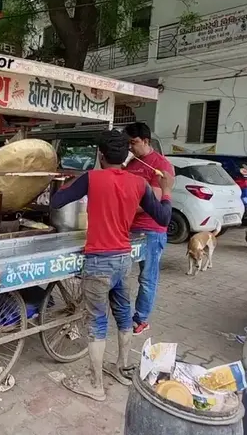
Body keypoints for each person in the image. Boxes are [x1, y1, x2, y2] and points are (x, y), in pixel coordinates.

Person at [51, 130, 173, 401]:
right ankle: (121, 368)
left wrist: (65, 184)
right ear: (124, 156)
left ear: (100, 155)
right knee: (123, 316)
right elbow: (164, 218)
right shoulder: (139, 184)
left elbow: (57, 202)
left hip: (98, 261)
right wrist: (166, 191)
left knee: (96, 322)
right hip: (123, 259)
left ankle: (95, 385)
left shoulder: (92, 178)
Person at [123, 122, 174, 336]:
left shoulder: (161, 166)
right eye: (128, 144)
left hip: (151, 231)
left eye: (133, 143)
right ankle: (122, 312)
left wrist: (121, 208)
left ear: (146, 141)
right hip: (129, 228)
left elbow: (153, 200)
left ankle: (141, 318)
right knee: (121, 272)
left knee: (147, 277)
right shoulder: (131, 164)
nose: (130, 148)